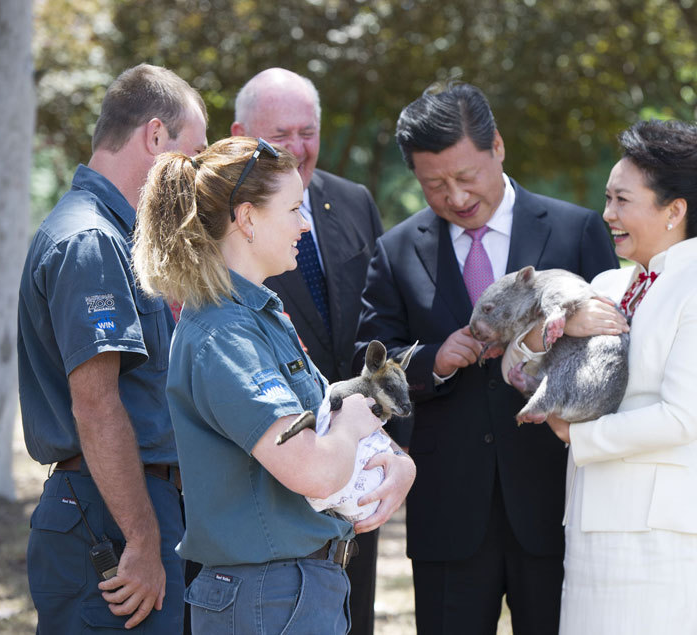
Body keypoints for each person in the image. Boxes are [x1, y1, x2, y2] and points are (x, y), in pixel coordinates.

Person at [354, 83, 623, 634]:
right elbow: (368, 360)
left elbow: (615, 345)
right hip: (448, 511)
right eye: (434, 184)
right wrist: (433, 360)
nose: (454, 196)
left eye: (465, 176)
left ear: (497, 147)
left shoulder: (576, 231)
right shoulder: (397, 249)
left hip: (559, 500)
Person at [130, 135, 415, 633]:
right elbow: (315, 469)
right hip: (269, 597)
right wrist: (352, 426)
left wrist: (398, 463)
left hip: (293, 590)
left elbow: (329, 411)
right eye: (293, 209)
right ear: (246, 219)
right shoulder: (225, 335)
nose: (305, 223)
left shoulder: (260, 316)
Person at [506, 119, 697, 634]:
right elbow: (519, 366)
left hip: (661, 535)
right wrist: (552, 330)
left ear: (674, 210)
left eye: (621, 200)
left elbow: (681, 418)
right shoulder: (605, 284)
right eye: (607, 199)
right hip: (590, 521)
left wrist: (578, 434)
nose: (607, 213)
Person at [17, 63, 207, 632]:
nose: (194, 176)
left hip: (120, 505)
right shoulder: (92, 241)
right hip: (111, 516)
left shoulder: (113, 235)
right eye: (191, 156)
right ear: (154, 137)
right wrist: (143, 539)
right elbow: (97, 404)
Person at [231, 68, 385, 634]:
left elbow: (376, 330)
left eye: (308, 132)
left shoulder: (354, 202)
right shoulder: (223, 230)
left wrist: (380, 445)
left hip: (359, 477)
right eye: (280, 135)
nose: (297, 150)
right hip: (273, 484)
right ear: (242, 133)